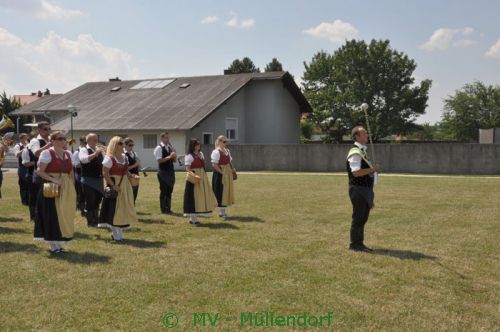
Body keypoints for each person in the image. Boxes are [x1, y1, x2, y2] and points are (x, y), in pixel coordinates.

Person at [34, 131, 76, 253]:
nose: (63, 141)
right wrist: (54, 180)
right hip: (51, 186)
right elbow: (40, 171)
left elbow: (71, 172)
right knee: (52, 214)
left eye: (64, 138)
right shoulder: (47, 153)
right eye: (59, 139)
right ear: (52, 141)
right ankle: (53, 245)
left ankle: (59, 243)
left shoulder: (68, 154)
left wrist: (72, 187)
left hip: (66, 186)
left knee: (63, 213)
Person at [346, 126, 381, 252]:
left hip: (364, 189)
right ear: (357, 136)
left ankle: (359, 243)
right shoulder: (355, 152)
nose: (367, 135)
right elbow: (356, 172)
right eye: (364, 133)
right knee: (359, 217)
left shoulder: (362, 151)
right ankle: (355, 244)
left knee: (363, 217)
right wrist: (372, 169)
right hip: (358, 189)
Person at [98, 136, 138, 241]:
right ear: (115, 145)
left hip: (124, 185)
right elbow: (105, 174)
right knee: (114, 209)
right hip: (115, 185)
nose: (122, 145)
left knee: (122, 208)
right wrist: (112, 185)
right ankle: (115, 233)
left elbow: (125, 171)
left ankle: (119, 232)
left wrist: (132, 176)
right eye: (120, 143)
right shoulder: (109, 158)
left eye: (123, 143)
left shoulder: (124, 157)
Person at [183, 138, 217, 225]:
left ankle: (195, 217)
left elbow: (202, 165)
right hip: (193, 177)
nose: (199, 146)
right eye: (197, 144)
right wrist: (194, 176)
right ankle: (192, 218)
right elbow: (187, 168)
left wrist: (203, 176)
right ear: (193, 146)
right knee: (193, 196)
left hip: (202, 176)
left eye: (199, 144)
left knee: (201, 196)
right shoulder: (189, 156)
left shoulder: (201, 154)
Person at [79, 133, 104, 227]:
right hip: (88, 180)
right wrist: (95, 154)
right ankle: (90, 222)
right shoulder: (84, 149)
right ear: (88, 140)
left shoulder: (99, 151)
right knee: (90, 201)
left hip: (98, 179)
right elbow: (83, 160)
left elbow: (104, 162)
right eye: (94, 140)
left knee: (98, 200)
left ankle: (96, 220)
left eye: (96, 140)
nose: (96, 142)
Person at [26, 122, 52, 212]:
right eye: (46, 129)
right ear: (39, 130)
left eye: (49, 129)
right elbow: (36, 153)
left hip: (51, 173)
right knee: (38, 196)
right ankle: (35, 216)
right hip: (40, 173)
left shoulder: (50, 140)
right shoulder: (35, 141)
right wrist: (48, 145)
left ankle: (46, 215)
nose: (48, 131)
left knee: (49, 196)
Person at [211, 135, 236, 220]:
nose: (225, 143)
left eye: (226, 142)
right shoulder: (216, 152)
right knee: (220, 191)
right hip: (219, 174)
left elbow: (229, 161)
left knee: (226, 191)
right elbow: (214, 165)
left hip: (227, 173)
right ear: (219, 141)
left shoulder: (227, 151)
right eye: (224, 142)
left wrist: (233, 169)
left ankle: (223, 211)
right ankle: (222, 212)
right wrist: (222, 173)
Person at [154, 132, 177, 214]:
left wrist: (174, 155)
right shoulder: (159, 148)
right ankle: (163, 209)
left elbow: (174, 161)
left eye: (168, 138)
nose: (167, 140)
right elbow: (159, 160)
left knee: (170, 190)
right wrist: (169, 156)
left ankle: (168, 208)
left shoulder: (170, 147)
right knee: (164, 190)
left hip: (171, 171)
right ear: (162, 138)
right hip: (163, 172)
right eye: (166, 138)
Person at [14, 133, 29, 205]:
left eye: (27, 138)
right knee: (23, 184)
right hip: (22, 168)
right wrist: (24, 149)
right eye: (25, 138)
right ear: (21, 139)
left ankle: (29, 199)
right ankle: (24, 200)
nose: (27, 140)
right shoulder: (18, 146)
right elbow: (17, 155)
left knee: (29, 184)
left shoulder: (28, 145)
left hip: (29, 167)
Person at [72, 136, 87, 215]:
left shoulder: (88, 151)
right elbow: (75, 164)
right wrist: (86, 164)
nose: (86, 144)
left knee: (86, 192)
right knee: (81, 192)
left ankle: (85, 207)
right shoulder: (77, 152)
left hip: (86, 174)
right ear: (81, 142)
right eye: (85, 143)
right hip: (79, 174)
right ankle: (82, 210)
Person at [124, 137, 141, 204]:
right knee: (129, 195)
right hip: (128, 177)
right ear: (125, 145)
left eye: (132, 145)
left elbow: (138, 165)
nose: (131, 147)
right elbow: (125, 168)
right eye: (129, 145)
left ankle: (132, 209)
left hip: (135, 176)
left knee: (135, 194)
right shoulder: (123, 154)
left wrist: (138, 164)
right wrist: (135, 165)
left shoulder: (134, 153)